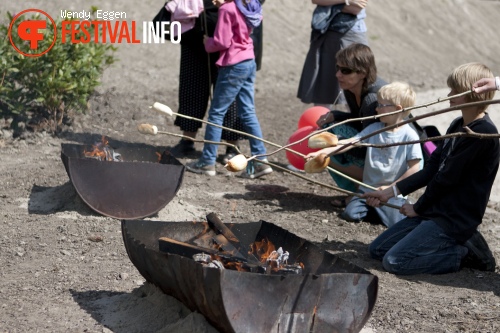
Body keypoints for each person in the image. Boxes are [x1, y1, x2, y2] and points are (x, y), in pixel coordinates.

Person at [363, 63, 499, 275]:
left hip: (452, 219)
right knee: (377, 250)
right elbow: (432, 167)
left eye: (455, 90)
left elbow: (447, 178)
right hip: (434, 211)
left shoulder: (482, 134)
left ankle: (461, 254)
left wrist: (418, 208)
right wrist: (389, 193)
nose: (449, 94)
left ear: (474, 94)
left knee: (394, 262)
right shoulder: (457, 124)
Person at [307, 82, 422, 227]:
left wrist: (391, 189)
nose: (376, 108)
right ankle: (377, 208)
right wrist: (323, 152)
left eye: (381, 105)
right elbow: (350, 142)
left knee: (397, 222)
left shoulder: (409, 136)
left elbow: (414, 169)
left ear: (397, 109)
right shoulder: (375, 128)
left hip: (391, 194)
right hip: (367, 190)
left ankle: (386, 208)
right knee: (350, 214)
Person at [186, 0, 272, 179]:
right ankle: (261, 161)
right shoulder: (250, 5)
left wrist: (207, 43)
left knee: (216, 114)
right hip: (248, 60)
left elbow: (222, 41)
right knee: (248, 112)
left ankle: (207, 161)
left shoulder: (226, 9)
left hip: (233, 66)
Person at [315, 43, 386, 204]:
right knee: (325, 133)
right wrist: (335, 115)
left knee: (325, 144)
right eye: (338, 68)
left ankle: (361, 190)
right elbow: (357, 117)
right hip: (368, 141)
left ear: (362, 73)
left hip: (385, 156)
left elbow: (370, 143)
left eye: (345, 71)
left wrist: (331, 153)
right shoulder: (351, 88)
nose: (338, 74)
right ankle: (355, 190)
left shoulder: (372, 99)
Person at [297, 0, 369, 108]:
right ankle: (323, 124)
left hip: (350, 34)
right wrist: (346, 1)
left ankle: (358, 124)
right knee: (322, 92)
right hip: (325, 32)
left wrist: (329, 4)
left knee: (355, 90)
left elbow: (356, 8)